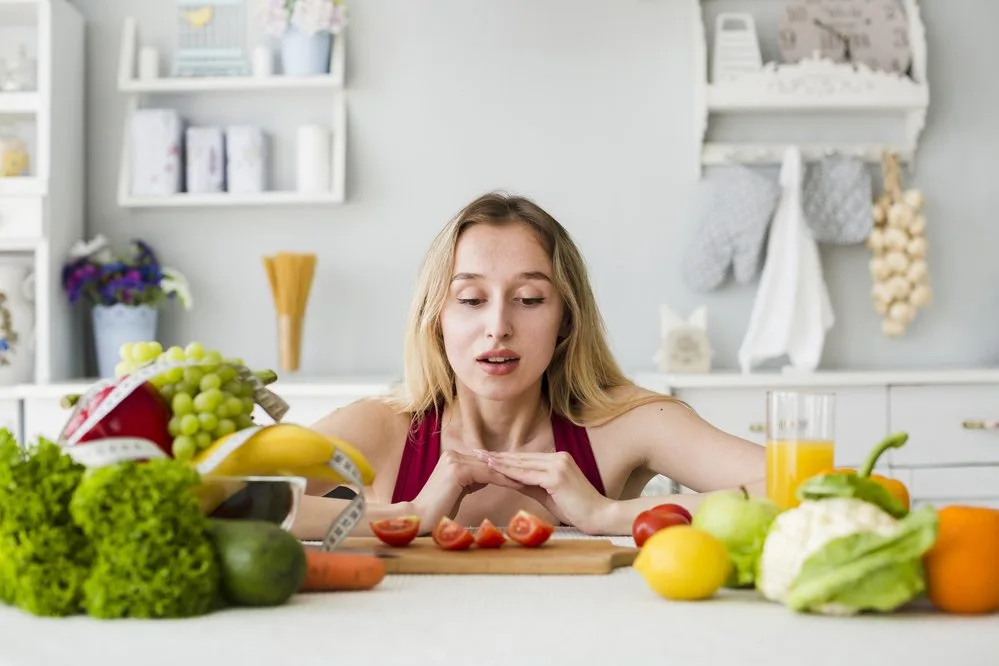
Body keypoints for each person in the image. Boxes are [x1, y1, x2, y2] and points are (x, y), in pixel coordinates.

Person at [293, 192, 765, 540]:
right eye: (471, 299)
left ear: (566, 319)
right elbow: (231, 498)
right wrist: (412, 513)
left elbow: (808, 489)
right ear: (436, 320)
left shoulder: (626, 424)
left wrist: (606, 515)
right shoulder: (383, 428)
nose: (498, 326)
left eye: (529, 299)